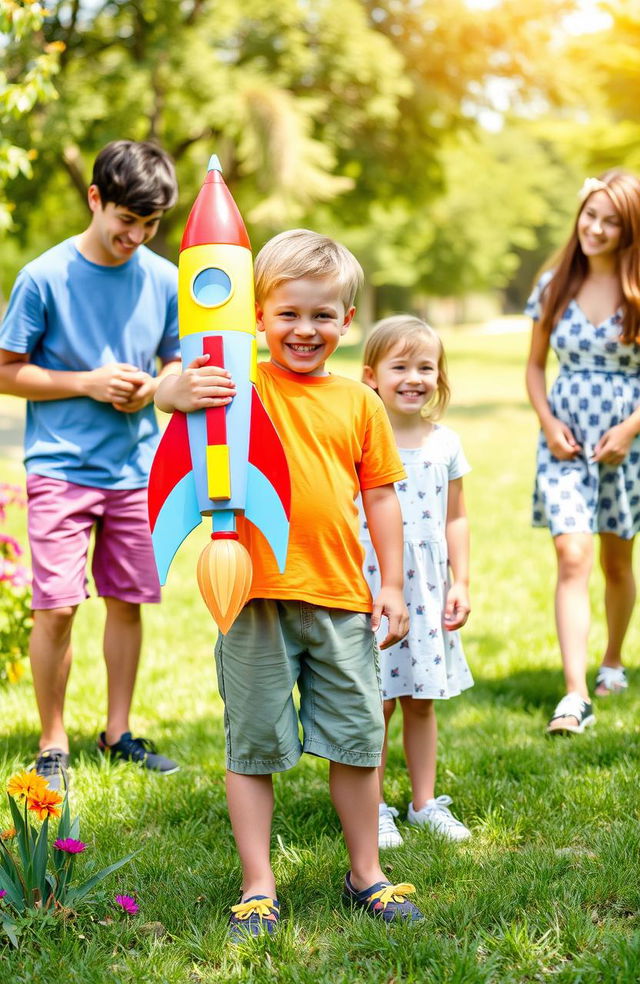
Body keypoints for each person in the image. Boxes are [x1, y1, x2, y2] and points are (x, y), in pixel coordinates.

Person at [155, 229, 424, 940]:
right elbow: (171, 399)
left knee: (359, 743)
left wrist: (391, 584)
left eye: (324, 315)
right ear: (258, 316)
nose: (306, 330)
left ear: (346, 320)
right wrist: (173, 388)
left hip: (340, 599)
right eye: (289, 314)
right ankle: (257, 885)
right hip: (252, 597)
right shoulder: (239, 385)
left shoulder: (359, 403)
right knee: (253, 746)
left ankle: (365, 873)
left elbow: (383, 499)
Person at [0, 139, 183, 789]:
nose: (135, 236)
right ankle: (53, 741)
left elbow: (174, 360)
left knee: (126, 601)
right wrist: (87, 382)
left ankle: (117, 731)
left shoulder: (163, 279)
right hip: (59, 468)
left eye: (150, 224)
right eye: (126, 220)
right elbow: (6, 373)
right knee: (55, 606)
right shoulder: (43, 277)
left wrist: (156, 388)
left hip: (136, 469)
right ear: (95, 199)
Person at [525, 169, 640, 736]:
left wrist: (630, 430)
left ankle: (613, 659)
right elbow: (533, 365)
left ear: (629, 228)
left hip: (626, 444)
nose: (595, 228)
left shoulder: (638, 287)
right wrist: (547, 422)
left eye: (611, 220)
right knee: (573, 557)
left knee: (617, 561)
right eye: (590, 215)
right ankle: (575, 695)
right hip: (565, 443)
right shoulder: (555, 283)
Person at [358, 316, 473, 850]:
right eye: (399, 366)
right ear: (371, 376)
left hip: (428, 589)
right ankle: (373, 805)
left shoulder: (445, 442)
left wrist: (461, 581)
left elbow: (456, 518)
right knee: (376, 701)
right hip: (374, 583)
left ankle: (424, 801)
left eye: (425, 367)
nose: (413, 377)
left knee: (421, 699)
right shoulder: (360, 437)